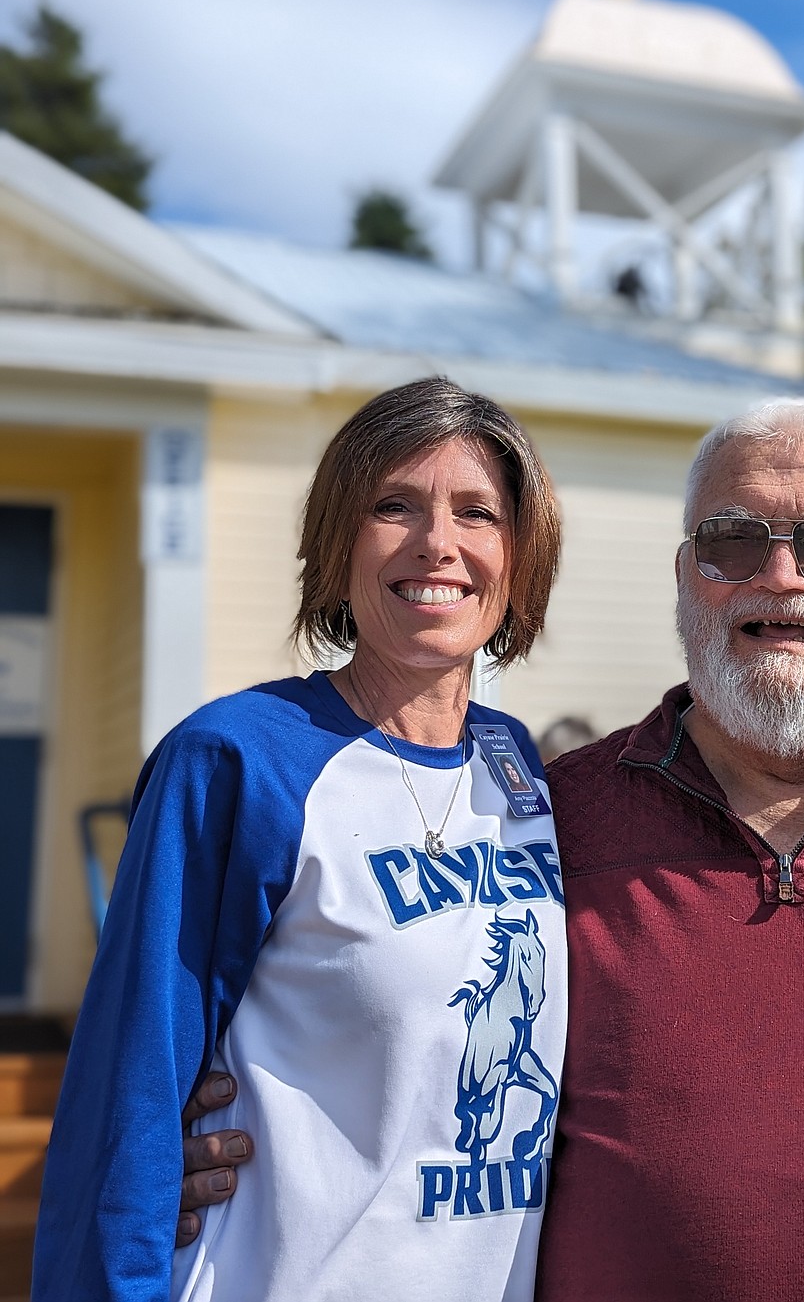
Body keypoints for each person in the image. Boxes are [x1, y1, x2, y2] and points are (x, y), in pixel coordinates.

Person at [171, 398, 804, 1298]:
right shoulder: (539, 822)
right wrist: (183, 1151)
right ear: (688, 578)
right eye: (733, 541)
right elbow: (401, 1029)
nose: (780, 574)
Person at [32, 376, 568, 1302]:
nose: (437, 542)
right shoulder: (237, 760)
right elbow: (132, 1088)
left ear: (519, 558)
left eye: (476, 512)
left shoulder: (518, 768)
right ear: (337, 543)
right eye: (392, 506)